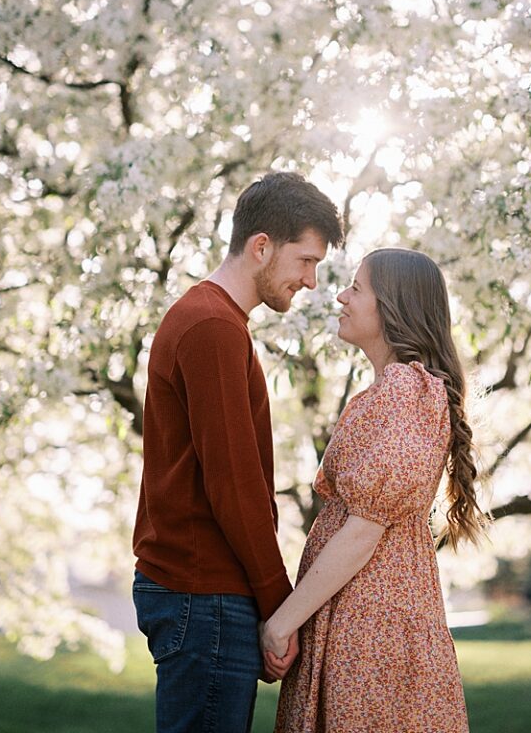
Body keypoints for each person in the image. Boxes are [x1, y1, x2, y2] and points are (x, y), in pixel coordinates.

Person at [132, 171, 344, 733]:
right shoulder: (212, 327)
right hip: (203, 595)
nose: (312, 281)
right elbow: (234, 485)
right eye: (306, 260)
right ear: (261, 247)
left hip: (202, 592)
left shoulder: (216, 320)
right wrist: (279, 607)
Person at [262, 247, 489, 733]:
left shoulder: (407, 391)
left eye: (357, 288)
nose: (341, 296)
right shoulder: (394, 392)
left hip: (372, 622)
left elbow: (364, 529)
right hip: (362, 612)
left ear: (393, 307)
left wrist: (283, 621)